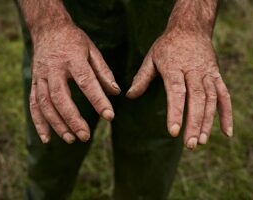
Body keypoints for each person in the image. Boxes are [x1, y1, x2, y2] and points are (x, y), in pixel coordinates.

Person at [15, 0, 233, 199]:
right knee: (52, 152)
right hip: (62, 10)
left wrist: (191, 24)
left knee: (148, 169)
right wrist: (47, 23)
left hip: (165, 15)